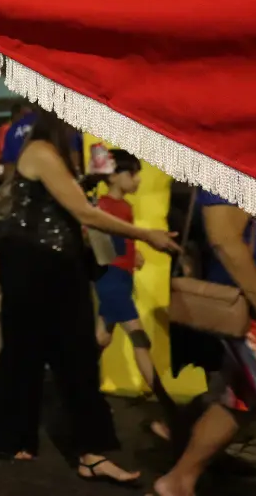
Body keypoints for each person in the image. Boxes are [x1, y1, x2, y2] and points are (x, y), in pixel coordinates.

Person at [0, 112, 180, 485]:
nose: (77, 131)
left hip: (52, 263)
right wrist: (145, 235)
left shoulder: (56, 155)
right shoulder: (40, 151)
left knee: (68, 355)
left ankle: (81, 450)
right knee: (34, 353)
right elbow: (84, 211)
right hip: (36, 264)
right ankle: (17, 440)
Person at [154, 192, 256, 496]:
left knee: (241, 399)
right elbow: (223, 238)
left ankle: (178, 480)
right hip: (255, 306)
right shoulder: (235, 163)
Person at [89, 149, 172, 442]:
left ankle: (75, 384)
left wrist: (132, 256)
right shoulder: (103, 206)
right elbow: (101, 242)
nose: (136, 179)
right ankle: (167, 408)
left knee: (102, 338)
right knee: (140, 339)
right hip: (112, 281)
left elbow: (121, 240)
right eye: (131, 173)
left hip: (122, 279)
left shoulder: (122, 206)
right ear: (113, 175)